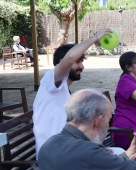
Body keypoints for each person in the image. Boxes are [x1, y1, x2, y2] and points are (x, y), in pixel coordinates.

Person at [33, 28, 117, 158]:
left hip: (63, 152)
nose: (82, 66)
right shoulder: (50, 80)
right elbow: (70, 57)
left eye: (82, 61)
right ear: (63, 62)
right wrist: (95, 37)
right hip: (53, 157)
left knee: (113, 158)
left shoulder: (63, 89)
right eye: (78, 62)